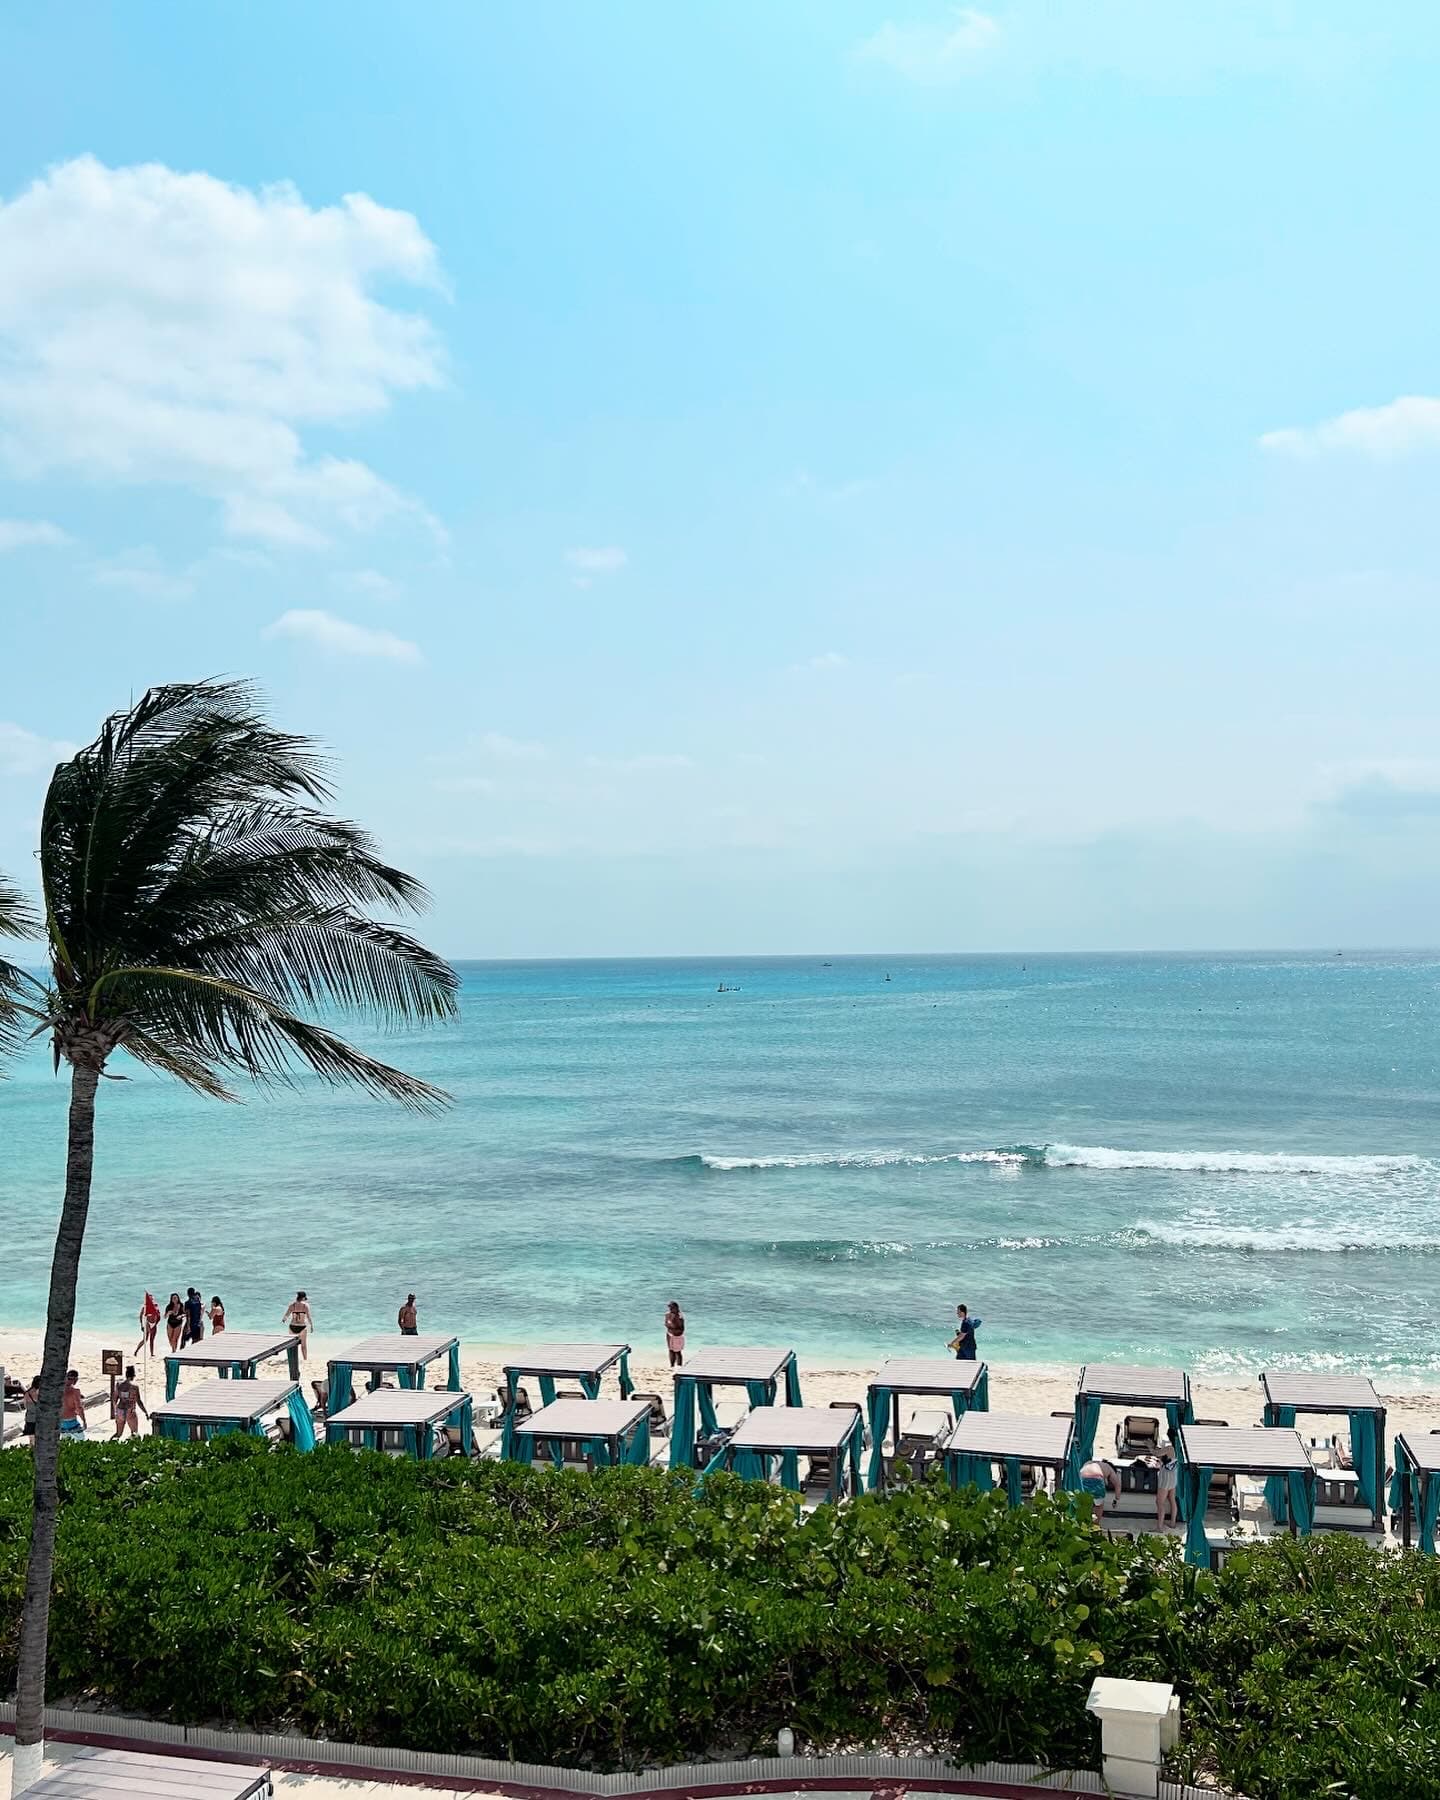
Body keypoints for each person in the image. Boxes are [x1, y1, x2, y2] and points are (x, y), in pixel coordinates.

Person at [1079, 1456, 1122, 1523]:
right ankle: (1096, 1524)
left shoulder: (1090, 1462)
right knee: (1099, 1505)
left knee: (1085, 1503)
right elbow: (1117, 1485)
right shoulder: (1109, 1468)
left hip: (1082, 1477)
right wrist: (1116, 1500)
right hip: (1097, 1478)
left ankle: (1084, 1523)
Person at [113, 1364, 148, 1440]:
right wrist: (145, 1412)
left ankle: (109, 1446)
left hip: (120, 1410)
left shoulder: (119, 1385)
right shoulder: (134, 1387)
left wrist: (115, 1411)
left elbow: (114, 1399)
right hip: (130, 1411)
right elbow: (139, 1401)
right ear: (133, 1376)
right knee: (134, 1433)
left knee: (118, 1434)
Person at [1151, 1442, 1178, 1528]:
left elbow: (1156, 1453)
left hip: (1166, 1477)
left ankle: (1159, 1527)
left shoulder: (1170, 1448)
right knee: (1172, 1500)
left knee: (1159, 1502)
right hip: (1173, 1475)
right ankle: (1172, 1523)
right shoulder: (1178, 1448)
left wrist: (1149, 1446)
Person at [283, 1290, 313, 1360]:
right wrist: (311, 1326)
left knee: (292, 1345)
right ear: (303, 1298)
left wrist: (284, 1320)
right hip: (302, 1327)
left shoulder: (292, 1305)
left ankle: (291, 1359)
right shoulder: (305, 1305)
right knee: (303, 1345)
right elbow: (308, 1317)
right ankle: (305, 1359)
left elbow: (286, 1315)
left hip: (292, 1326)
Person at [59, 1370, 87, 1439]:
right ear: (75, 1380)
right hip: (71, 1421)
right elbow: (79, 1408)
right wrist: (84, 1421)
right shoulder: (75, 1392)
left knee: (65, 1443)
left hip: (60, 1420)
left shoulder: (58, 1390)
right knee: (81, 1441)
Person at [135, 1291, 161, 1357]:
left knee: (152, 1339)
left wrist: (156, 1323)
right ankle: (136, 1351)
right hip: (148, 1323)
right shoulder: (145, 1307)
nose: (151, 1300)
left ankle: (152, 1353)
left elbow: (158, 1316)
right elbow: (141, 1316)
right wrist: (142, 1325)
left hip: (154, 1324)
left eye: (151, 1299)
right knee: (145, 1339)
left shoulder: (155, 1306)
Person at [664, 1300, 686, 1368]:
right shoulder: (667, 1314)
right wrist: (670, 1325)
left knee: (677, 1352)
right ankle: (672, 1365)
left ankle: (679, 1366)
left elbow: (681, 1328)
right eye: (669, 1307)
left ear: (676, 1307)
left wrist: (673, 1325)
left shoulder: (679, 1316)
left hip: (677, 1335)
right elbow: (666, 1324)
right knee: (670, 1350)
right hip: (670, 1334)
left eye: (672, 1307)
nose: (670, 1309)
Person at [21, 1375, 39, 1446]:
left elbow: (25, 1406)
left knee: (31, 1438)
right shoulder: (40, 1393)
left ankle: (31, 1450)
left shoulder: (27, 1393)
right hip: (38, 1418)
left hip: (29, 1418)